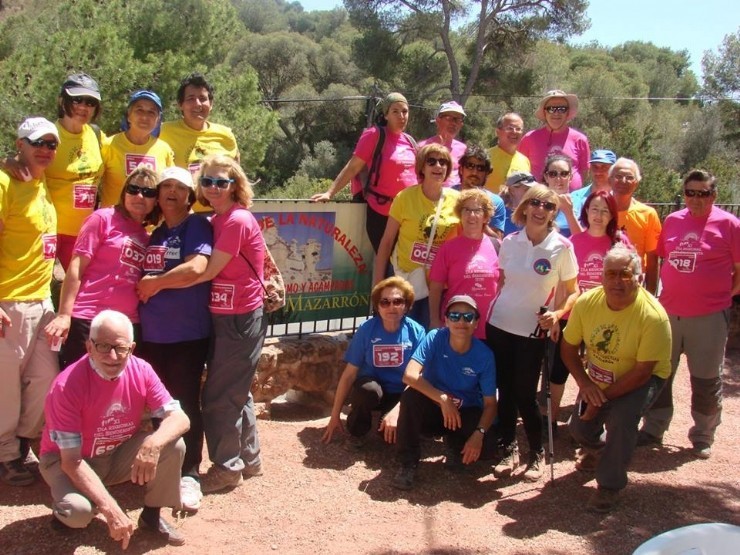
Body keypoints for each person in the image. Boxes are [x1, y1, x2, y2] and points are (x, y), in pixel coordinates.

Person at [39, 310, 190, 547]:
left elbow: (180, 418)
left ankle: (151, 517)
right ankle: (65, 513)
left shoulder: (141, 370)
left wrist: (153, 443)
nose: (112, 356)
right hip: (65, 460)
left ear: (131, 347)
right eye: (103, 346)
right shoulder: (66, 386)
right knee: (78, 512)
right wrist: (113, 511)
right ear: (89, 347)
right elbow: (71, 462)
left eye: (121, 348)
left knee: (173, 444)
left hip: (115, 452)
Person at [638, 170, 740, 459]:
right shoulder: (672, 221)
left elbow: (738, 273)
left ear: (714, 195)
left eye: (703, 193)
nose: (696, 199)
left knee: (706, 378)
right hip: (669, 313)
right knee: (660, 373)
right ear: (684, 194)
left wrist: (718, 296)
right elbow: (659, 258)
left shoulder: (730, 224)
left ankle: (703, 435)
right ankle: (654, 428)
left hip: (708, 316)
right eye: (691, 193)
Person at [563, 245, 671, 513]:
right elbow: (567, 348)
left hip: (641, 378)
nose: (617, 281)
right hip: (600, 376)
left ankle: (609, 486)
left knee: (621, 420)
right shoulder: (587, 303)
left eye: (625, 274)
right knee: (578, 428)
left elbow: (643, 371)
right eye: (610, 274)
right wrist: (586, 386)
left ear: (639, 277)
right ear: (602, 276)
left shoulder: (653, 316)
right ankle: (599, 451)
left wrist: (601, 400)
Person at [486, 184, 579, 482]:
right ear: (524, 206)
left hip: (532, 331)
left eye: (549, 206)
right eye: (535, 202)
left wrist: (558, 314)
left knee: (526, 395)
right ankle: (508, 447)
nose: (541, 209)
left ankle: (536, 452)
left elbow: (574, 291)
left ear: (553, 213)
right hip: (499, 325)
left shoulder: (562, 247)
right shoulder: (510, 241)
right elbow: (502, 282)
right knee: (505, 390)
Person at [188, 154, 268, 494]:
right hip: (227, 314)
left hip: (239, 317)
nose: (214, 188)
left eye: (222, 182)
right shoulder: (217, 219)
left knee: (219, 395)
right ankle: (249, 459)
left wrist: (157, 283)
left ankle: (226, 467)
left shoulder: (235, 220)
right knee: (236, 389)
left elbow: (207, 271)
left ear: (236, 184)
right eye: (208, 182)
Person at [136, 166, 213, 512]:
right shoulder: (155, 233)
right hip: (153, 335)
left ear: (189, 195)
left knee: (184, 402)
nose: (171, 192)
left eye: (179, 187)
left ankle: (190, 473)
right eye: (165, 186)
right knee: (158, 405)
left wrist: (156, 283)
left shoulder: (195, 225)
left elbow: (197, 268)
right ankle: (164, 466)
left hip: (186, 334)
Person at [44, 167, 160, 369]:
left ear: (156, 200)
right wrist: (64, 315)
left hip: (126, 324)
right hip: (88, 318)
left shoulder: (147, 237)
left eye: (148, 192)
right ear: (124, 192)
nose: (139, 196)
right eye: (133, 189)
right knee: (80, 386)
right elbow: (76, 267)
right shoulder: (103, 218)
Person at [541, 191, 632, 434]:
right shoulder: (573, 243)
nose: (599, 215)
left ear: (612, 215)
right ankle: (549, 421)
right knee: (558, 370)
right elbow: (562, 283)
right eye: (594, 209)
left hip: (606, 319)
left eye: (605, 211)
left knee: (598, 372)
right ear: (586, 212)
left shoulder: (619, 244)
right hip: (572, 316)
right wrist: (557, 317)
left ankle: (586, 421)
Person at [0, 117, 59, 487]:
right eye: (37, 142)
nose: (45, 150)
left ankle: (19, 443)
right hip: (9, 301)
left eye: (51, 144)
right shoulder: (5, 181)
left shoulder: (40, 183)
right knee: (5, 385)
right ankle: (6, 456)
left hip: (41, 301)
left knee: (44, 379)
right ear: (19, 143)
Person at [392, 295, 496, 490]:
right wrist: (442, 399)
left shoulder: (485, 355)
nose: (461, 322)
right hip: (433, 409)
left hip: (464, 412)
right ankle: (407, 463)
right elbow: (409, 375)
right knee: (411, 396)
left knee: (488, 449)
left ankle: (455, 445)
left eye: (468, 316)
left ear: (476, 323)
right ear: (446, 320)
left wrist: (479, 435)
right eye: (455, 316)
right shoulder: (434, 337)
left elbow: (491, 404)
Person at [2, 74, 105, 270]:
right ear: (61, 101)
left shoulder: (96, 135)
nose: (83, 106)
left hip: (83, 232)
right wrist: (5, 161)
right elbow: (22, 156)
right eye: (77, 99)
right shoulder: (48, 136)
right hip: (47, 230)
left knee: (80, 290)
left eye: (90, 102)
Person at [321, 277, 426, 448]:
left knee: (389, 440)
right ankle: (357, 432)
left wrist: (398, 410)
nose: (391, 307)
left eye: (398, 301)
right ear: (377, 306)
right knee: (366, 391)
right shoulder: (367, 329)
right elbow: (349, 375)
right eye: (385, 302)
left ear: (407, 306)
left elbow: (418, 378)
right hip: (373, 388)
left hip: (402, 392)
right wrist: (334, 415)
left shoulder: (417, 332)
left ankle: (386, 426)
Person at [311, 92, 417, 252]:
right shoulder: (374, 135)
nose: (401, 116)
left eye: (405, 111)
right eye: (395, 111)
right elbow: (353, 167)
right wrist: (329, 193)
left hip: (408, 214)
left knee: (406, 265)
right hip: (382, 213)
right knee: (389, 266)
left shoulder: (410, 141)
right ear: (386, 114)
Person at [373, 144, 460, 328]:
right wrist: (378, 287)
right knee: (401, 334)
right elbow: (387, 241)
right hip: (404, 279)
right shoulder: (404, 198)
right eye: (432, 161)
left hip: (437, 286)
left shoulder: (457, 201)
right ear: (422, 166)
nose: (438, 166)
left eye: (443, 162)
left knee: (429, 337)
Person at [160, 72, 239, 213]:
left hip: (217, 215)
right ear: (180, 104)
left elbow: (236, 179)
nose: (197, 104)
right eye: (190, 99)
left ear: (211, 103)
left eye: (203, 98)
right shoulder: (162, 132)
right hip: (177, 215)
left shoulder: (226, 135)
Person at [429, 188, 500, 338]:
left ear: (486, 217)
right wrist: (434, 320)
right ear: (460, 214)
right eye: (466, 210)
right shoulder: (448, 248)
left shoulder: (498, 246)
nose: (471, 215)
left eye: (477, 210)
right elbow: (435, 287)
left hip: (491, 328)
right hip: (457, 326)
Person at [99, 89, 174, 207]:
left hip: (152, 224)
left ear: (158, 119)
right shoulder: (109, 145)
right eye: (139, 110)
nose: (145, 116)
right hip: (115, 222)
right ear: (129, 115)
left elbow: (170, 188)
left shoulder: (164, 149)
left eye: (151, 112)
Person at [518, 90, 590, 191]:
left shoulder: (580, 139)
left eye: (561, 109)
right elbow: (519, 169)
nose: (556, 113)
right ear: (544, 112)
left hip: (570, 201)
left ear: (568, 112)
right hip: (537, 202)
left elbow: (584, 172)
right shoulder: (529, 138)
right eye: (551, 109)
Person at [610, 158, 661, 294]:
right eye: (618, 176)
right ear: (610, 179)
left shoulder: (648, 214)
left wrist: (649, 295)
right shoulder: (597, 209)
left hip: (633, 282)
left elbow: (652, 259)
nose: (623, 181)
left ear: (636, 183)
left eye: (629, 177)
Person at [452, 145, 506, 237]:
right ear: (461, 170)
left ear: (487, 173)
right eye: (470, 166)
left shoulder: (495, 202)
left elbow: (497, 242)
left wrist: (480, 221)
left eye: (480, 168)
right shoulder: (448, 195)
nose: (474, 172)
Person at [418, 101, 467, 187]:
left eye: (458, 120)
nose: (453, 123)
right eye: (449, 118)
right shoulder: (423, 147)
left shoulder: (463, 149)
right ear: (438, 121)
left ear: (461, 124)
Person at [485, 112, 531, 194]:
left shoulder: (524, 161)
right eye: (510, 128)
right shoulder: (486, 157)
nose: (514, 132)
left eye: (518, 129)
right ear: (497, 132)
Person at [541, 154, 581, 237]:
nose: (558, 179)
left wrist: (569, 213)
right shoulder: (537, 202)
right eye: (553, 174)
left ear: (570, 177)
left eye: (564, 174)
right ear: (546, 177)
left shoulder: (580, 203)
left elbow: (582, 239)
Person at [570, 149, 616, 220]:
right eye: (595, 167)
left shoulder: (618, 199)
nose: (598, 172)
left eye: (604, 167)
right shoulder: (575, 197)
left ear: (613, 170)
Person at [500, 171, 536, 236]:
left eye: (533, 189)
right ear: (512, 190)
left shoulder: (536, 213)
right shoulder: (500, 213)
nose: (532, 193)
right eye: (527, 189)